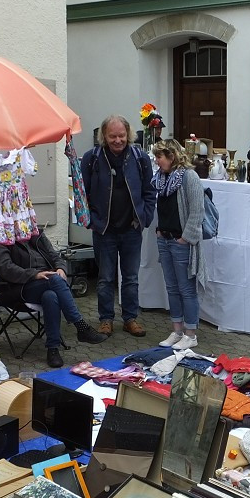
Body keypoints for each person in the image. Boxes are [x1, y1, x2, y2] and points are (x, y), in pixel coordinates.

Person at [81, 115, 157, 338]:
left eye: (121, 136)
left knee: (131, 277)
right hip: (103, 230)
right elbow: (81, 192)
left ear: (129, 135)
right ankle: (106, 320)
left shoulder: (140, 158)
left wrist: (144, 217)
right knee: (105, 278)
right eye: (112, 136)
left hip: (131, 228)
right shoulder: (91, 158)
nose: (117, 140)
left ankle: (130, 318)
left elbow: (149, 192)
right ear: (104, 136)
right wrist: (91, 220)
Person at [0, 229, 107, 368]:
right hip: (16, 288)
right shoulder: (1, 237)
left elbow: (55, 255)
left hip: (45, 284)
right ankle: (81, 326)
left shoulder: (36, 233)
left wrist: (61, 268)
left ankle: (53, 349)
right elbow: (6, 268)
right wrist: (34, 274)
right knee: (55, 281)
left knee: (50, 295)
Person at [151, 139, 204, 350]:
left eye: (159, 157)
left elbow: (196, 210)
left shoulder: (188, 177)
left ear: (171, 156)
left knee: (186, 289)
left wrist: (186, 237)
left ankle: (191, 334)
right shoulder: (161, 178)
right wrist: (158, 231)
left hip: (180, 240)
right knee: (172, 288)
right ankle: (177, 330)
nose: (156, 161)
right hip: (164, 238)